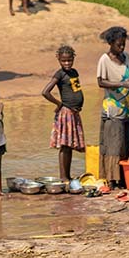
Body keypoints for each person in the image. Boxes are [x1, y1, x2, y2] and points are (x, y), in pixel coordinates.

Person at [97, 26, 129, 189]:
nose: (121, 48)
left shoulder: (127, 57)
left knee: (125, 143)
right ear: (110, 43)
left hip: (127, 108)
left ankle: (123, 178)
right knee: (113, 145)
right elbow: (101, 82)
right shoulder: (104, 60)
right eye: (118, 45)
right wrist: (122, 84)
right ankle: (111, 179)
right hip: (113, 109)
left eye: (123, 44)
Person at [42, 45, 85, 180]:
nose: (67, 63)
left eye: (69, 60)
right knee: (65, 146)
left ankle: (68, 175)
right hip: (66, 113)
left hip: (74, 113)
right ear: (59, 60)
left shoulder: (74, 72)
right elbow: (45, 92)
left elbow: (76, 90)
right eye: (64, 61)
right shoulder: (59, 74)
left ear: (73, 59)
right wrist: (59, 104)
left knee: (70, 146)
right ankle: (63, 177)